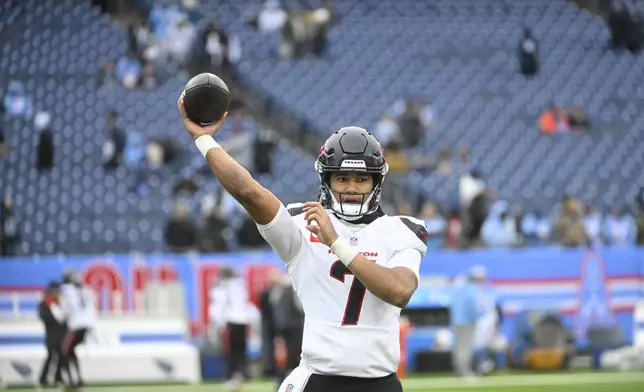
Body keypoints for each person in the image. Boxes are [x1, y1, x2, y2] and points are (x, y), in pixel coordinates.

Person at [178, 96, 428, 392]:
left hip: (380, 383)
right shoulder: (302, 223)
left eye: (361, 179)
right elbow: (249, 192)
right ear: (327, 180)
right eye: (342, 177)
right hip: (319, 379)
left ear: (376, 183)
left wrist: (336, 243)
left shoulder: (400, 230)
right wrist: (205, 141)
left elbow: (399, 291)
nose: (350, 187)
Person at [209, 267, 253, 392]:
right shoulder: (240, 284)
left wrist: (218, 323)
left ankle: (232, 377)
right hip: (243, 320)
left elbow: (219, 305)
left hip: (230, 321)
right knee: (240, 351)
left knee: (230, 352)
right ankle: (240, 375)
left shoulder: (222, 286)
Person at [59, 271, 97, 389]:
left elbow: (65, 311)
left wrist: (62, 315)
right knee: (70, 351)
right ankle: (78, 378)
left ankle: (71, 381)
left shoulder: (66, 290)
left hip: (77, 325)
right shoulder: (85, 290)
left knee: (64, 351)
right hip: (88, 324)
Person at [38, 281, 66, 387]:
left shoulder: (61, 302)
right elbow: (44, 317)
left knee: (61, 357)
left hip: (61, 333)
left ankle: (58, 378)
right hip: (51, 333)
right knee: (50, 356)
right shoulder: (45, 303)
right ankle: (43, 378)